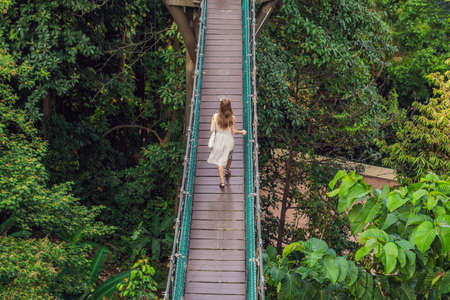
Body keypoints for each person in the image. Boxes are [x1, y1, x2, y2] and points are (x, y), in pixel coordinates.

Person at [207, 97, 246, 189]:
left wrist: (214, 124)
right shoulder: (232, 118)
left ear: (220, 107)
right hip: (229, 141)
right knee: (229, 156)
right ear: (230, 107)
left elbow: (212, 130)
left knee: (220, 162)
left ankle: (222, 182)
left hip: (218, 141)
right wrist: (242, 132)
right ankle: (227, 170)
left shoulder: (215, 116)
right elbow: (234, 131)